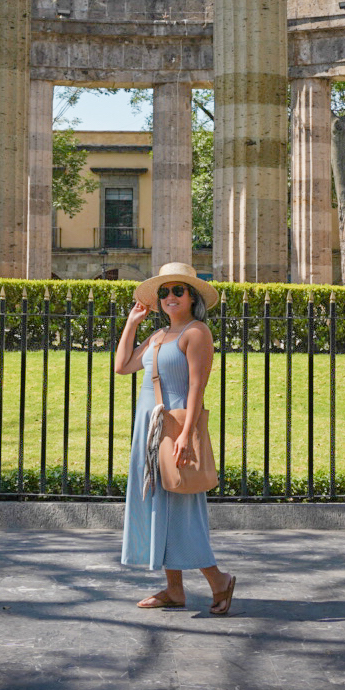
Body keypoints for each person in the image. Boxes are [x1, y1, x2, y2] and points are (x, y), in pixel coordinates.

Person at [114, 261, 237, 616]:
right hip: (151, 430)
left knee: (181, 509)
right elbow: (122, 366)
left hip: (176, 429)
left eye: (177, 290)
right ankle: (174, 589)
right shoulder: (157, 336)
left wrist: (186, 435)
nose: (170, 297)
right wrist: (131, 323)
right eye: (164, 292)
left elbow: (198, 387)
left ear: (192, 296)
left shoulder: (196, 332)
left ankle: (219, 580)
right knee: (160, 506)